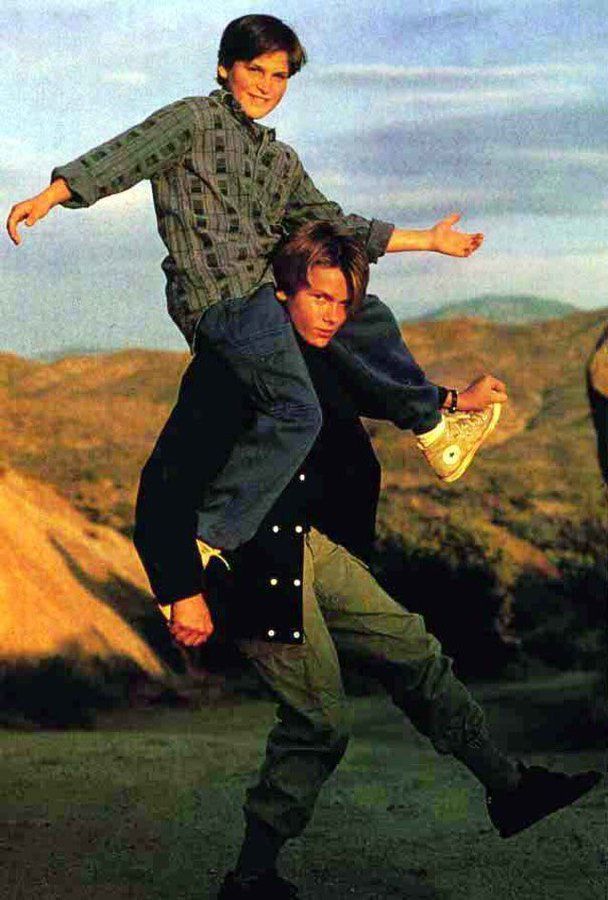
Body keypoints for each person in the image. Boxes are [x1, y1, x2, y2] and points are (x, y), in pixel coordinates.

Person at [133, 222, 601, 899]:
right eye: (319, 298)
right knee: (320, 723)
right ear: (284, 291)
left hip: (309, 543)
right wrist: (181, 589)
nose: (333, 315)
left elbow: (376, 389)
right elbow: (165, 482)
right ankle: (251, 878)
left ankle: (510, 788)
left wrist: (453, 401)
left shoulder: (320, 351)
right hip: (250, 562)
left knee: (414, 652)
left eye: (343, 302)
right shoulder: (233, 366)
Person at [7, 14, 494, 557]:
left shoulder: (280, 160)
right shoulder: (192, 121)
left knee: (364, 310)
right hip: (222, 298)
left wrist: (428, 240)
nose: (265, 85)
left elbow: (333, 225)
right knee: (299, 412)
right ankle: (207, 539)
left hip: (270, 293)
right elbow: (123, 155)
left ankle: (435, 432)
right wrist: (49, 197)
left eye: (278, 76)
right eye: (254, 69)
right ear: (225, 68)